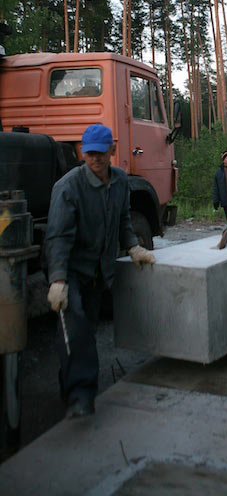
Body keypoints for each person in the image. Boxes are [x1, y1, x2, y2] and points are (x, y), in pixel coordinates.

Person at [44, 124, 155, 419]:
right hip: (70, 273)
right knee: (76, 327)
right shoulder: (68, 187)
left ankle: (69, 391)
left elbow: (122, 221)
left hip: (98, 273)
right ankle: (81, 398)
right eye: (89, 153)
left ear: (111, 151)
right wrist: (57, 280)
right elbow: (58, 236)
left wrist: (133, 246)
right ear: (83, 152)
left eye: (100, 153)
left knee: (84, 334)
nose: (94, 159)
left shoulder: (119, 181)